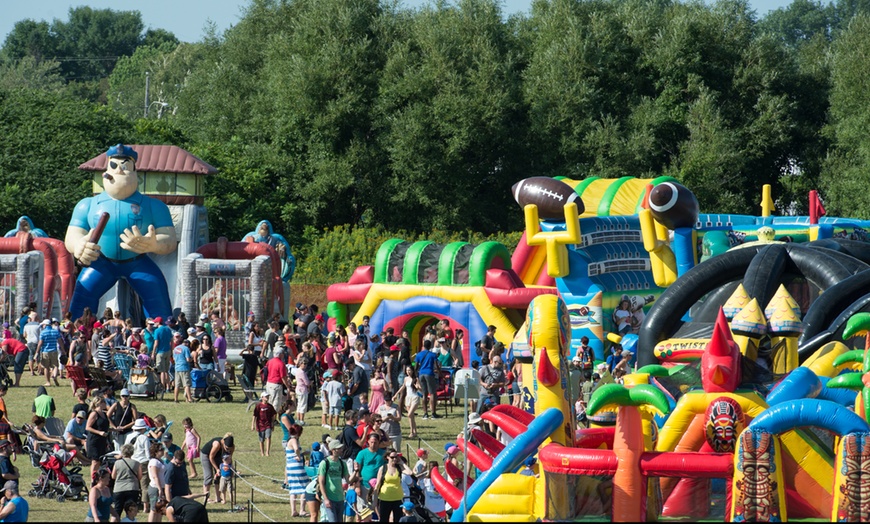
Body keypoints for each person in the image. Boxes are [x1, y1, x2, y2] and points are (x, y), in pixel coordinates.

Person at [319, 440, 356, 522]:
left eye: (340, 448)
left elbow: (349, 481)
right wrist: (325, 499)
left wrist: (356, 471)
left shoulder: (342, 463)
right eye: (338, 448)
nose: (341, 450)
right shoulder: (325, 463)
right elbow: (321, 482)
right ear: (333, 450)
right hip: (329, 498)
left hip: (340, 498)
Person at [375, 449, 414, 522]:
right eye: (392, 457)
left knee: (398, 519)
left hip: (397, 498)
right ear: (387, 457)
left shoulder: (399, 468)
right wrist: (375, 500)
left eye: (396, 457)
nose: (395, 459)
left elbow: (410, 472)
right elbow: (377, 484)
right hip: (385, 498)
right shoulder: (383, 468)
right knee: (383, 519)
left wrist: (402, 462)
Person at [200, 433, 234, 503]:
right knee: (209, 475)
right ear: (223, 443)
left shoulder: (232, 447)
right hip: (206, 455)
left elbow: (229, 459)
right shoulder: (217, 444)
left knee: (219, 476)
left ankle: (218, 497)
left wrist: (230, 469)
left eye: (229, 449)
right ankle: (206, 497)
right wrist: (217, 469)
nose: (228, 451)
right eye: (227, 448)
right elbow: (211, 457)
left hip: (218, 456)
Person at [111, 444, 142, 518]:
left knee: (117, 510)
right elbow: (140, 477)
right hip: (132, 488)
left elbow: (113, 476)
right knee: (130, 510)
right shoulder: (137, 463)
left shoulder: (117, 463)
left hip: (119, 488)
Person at [355, 433, 385, 506]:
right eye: (371, 442)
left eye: (375, 442)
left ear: (378, 442)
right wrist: (357, 486)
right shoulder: (362, 453)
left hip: (379, 486)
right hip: (364, 485)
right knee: (364, 508)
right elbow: (357, 470)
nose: (373, 444)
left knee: (377, 507)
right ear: (368, 441)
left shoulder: (383, 453)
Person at [285, 424, 308, 517]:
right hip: (297, 467)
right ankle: (302, 510)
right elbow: (296, 449)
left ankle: (293, 510)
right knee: (304, 487)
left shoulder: (289, 440)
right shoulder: (294, 440)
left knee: (293, 489)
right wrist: (299, 455)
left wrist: (302, 454)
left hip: (290, 467)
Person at [86, 397, 112, 480]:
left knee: (100, 461)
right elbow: (88, 427)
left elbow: (104, 427)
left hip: (102, 440)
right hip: (94, 440)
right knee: (95, 461)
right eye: (103, 402)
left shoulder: (104, 414)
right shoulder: (94, 413)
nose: (105, 403)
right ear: (98, 403)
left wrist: (114, 429)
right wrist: (99, 432)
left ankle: (97, 477)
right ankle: (93, 479)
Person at [414, 340, 439, 419]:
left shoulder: (419, 355)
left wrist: (416, 375)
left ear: (423, 345)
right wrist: (440, 372)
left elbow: (415, 366)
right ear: (430, 346)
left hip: (421, 374)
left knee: (424, 394)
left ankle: (425, 413)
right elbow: (436, 365)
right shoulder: (433, 355)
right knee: (432, 393)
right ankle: (433, 413)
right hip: (429, 373)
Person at [393, 365, 420, 438]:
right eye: (407, 370)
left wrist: (418, 387)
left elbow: (420, 388)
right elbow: (403, 387)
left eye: (409, 370)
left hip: (415, 397)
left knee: (409, 414)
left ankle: (412, 432)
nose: (408, 372)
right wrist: (396, 394)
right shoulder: (405, 378)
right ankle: (414, 431)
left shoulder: (416, 379)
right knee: (411, 416)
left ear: (412, 371)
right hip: (408, 398)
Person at [36, 318, 64, 387]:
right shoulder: (55, 332)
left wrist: (37, 352)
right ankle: (54, 376)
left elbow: (40, 343)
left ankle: (48, 382)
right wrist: (63, 350)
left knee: (46, 367)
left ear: (45, 325)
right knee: (55, 366)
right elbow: (60, 341)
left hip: (45, 351)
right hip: (54, 350)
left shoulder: (43, 332)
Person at [264, 348, 290, 413]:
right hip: (276, 384)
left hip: (269, 383)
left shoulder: (270, 361)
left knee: (270, 401)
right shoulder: (281, 364)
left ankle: (268, 416)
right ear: (280, 354)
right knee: (276, 403)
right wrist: (288, 386)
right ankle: (273, 419)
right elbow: (283, 377)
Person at [252, 392, 277, 456]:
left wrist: (272, 424)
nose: (267, 398)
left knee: (268, 437)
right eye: (266, 396)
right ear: (262, 397)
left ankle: (267, 452)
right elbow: (254, 415)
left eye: (268, 396)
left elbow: (273, 415)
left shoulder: (270, 406)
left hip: (268, 424)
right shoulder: (258, 406)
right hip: (260, 425)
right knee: (261, 439)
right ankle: (262, 452)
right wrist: (253, 425)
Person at [147, 442, 166, 520]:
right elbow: (155, 476)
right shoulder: (154, 462)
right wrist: (159, 489)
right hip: (155, 487)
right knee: (154, 509)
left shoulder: (161, 460)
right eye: (161, 450)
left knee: (160, 509)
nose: (162, 451)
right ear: (155, 452)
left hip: (161, 487)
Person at [172, 339, 193, 403]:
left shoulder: (175, 349)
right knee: (187, 384)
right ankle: (189, 399)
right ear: (187, 343)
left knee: (177, 385)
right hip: (184, 368)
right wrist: (192, 359)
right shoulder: (186, 349)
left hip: (177, 368)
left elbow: (174, 359)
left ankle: (176, 399)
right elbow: (188, 359)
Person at [293, 358, 310, 425]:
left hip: (298, 389)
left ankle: (298, 419)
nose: (305, 365)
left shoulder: (297, 371)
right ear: (300, 363)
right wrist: (310, 383)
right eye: (304, 363)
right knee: (303, 405)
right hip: (303, 389)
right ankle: (301, 420)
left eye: (306, 364)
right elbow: (307, 382)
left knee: (299, 405)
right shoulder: (302, 372)